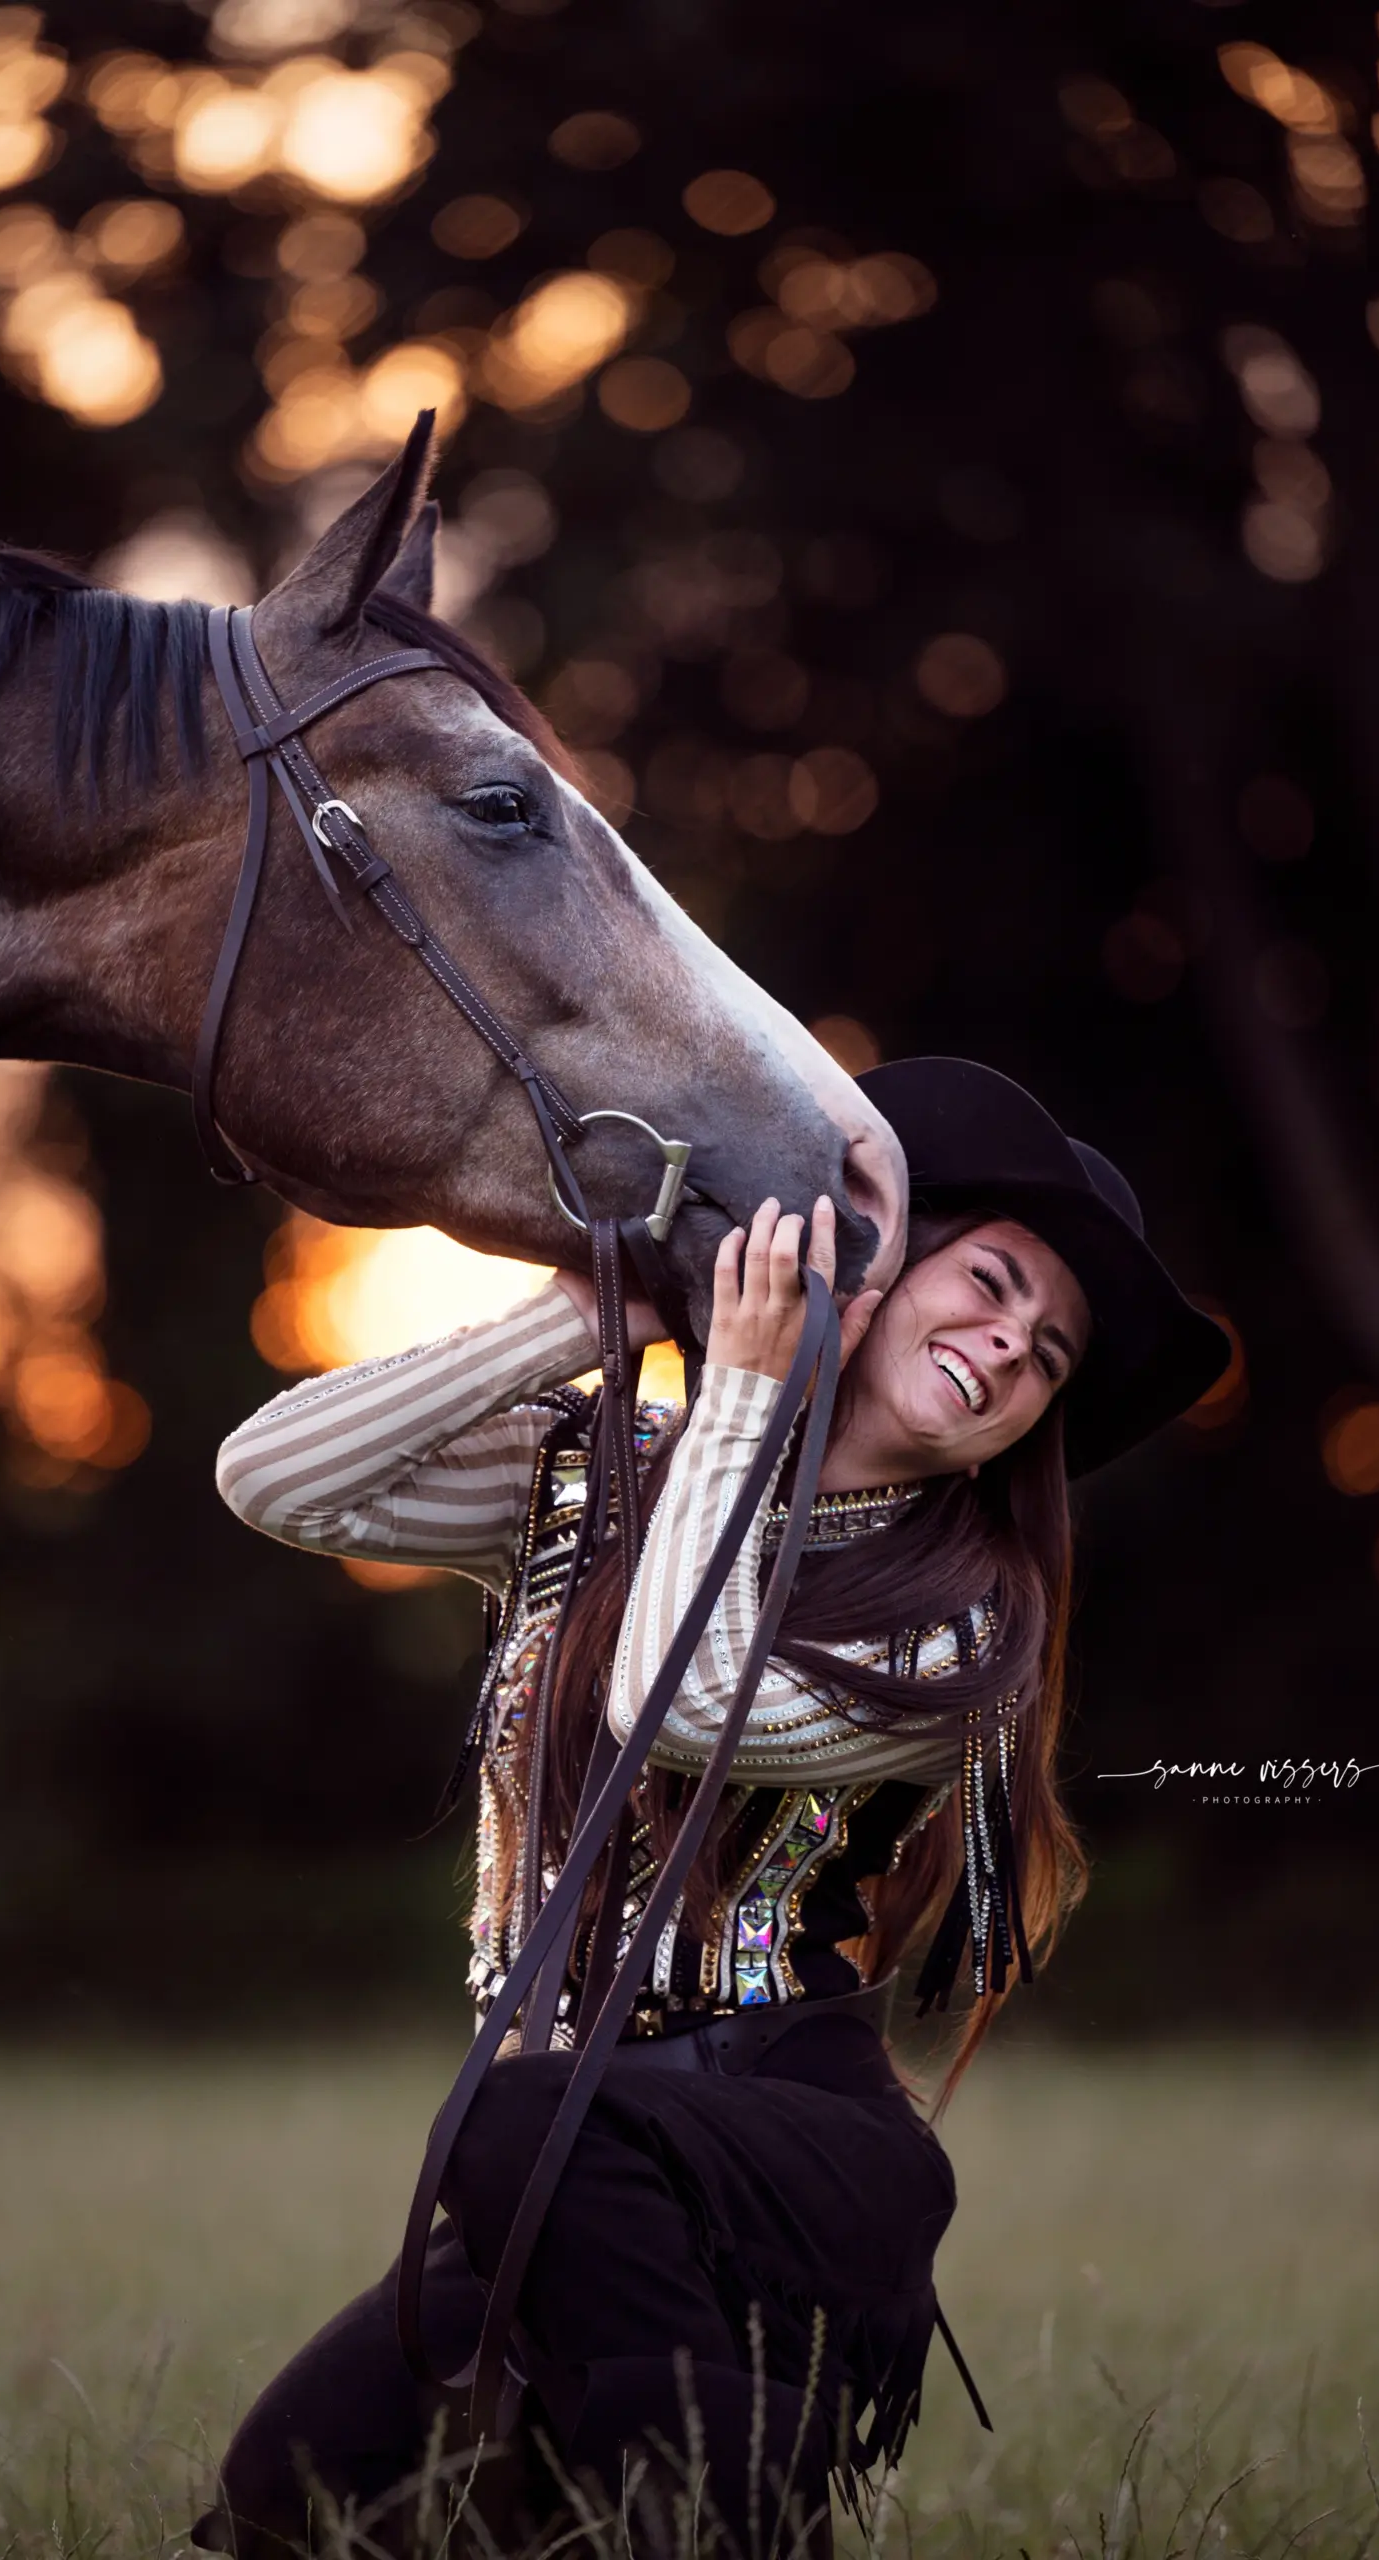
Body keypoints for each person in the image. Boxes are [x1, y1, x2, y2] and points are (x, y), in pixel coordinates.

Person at [192, 1057, 1228, 2557]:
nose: (1008, 1346)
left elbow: (677, 1695)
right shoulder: (597, 1474)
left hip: (775, 2152)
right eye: (992, 1283)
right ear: (878, 1269)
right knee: (290, 2494)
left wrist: (739, 1390)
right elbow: (276, 1479)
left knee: (516, 2127)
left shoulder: (969, 1630)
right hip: (563, 2162)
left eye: (1049, 1354)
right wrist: (588, 1322)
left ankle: (728, 2523)